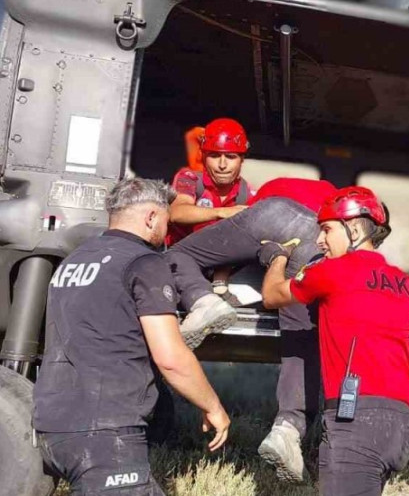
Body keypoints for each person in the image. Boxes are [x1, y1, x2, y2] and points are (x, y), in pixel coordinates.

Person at [33, 178, 231, 495]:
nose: (166, 231)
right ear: (151, 217)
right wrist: (213, 406)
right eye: (166, 219)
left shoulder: (74, 260)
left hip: (52, 426)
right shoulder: (144, 262)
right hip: (105, 431)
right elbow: (171, 358)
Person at [164, 177, 336, 482]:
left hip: (274, 215)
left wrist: (218, 285)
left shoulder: (266, 188)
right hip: (316, 240)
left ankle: (203, 301)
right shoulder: (332, 200)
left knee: (175, 256)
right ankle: (288, 429)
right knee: (299, 336)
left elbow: (233, 247)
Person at [261, 186, 409, 496]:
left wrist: (276, 257)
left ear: (355, 228)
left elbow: (272, 295)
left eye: (327, 229)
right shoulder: (403, 281)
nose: (319, 240)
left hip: (356, 419)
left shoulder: (334, 271)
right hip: (401, 423)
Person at [170, 117, 255, 347]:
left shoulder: (247, 193)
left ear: (242, 159)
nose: (222, 164)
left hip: (221, 266)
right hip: (181, 261)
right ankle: (207, 299)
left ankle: (220, 285)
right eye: (215, 156)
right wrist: (221, 213)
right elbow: (177, 212)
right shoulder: (189, 179)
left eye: (231, 156)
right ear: (204, 157)